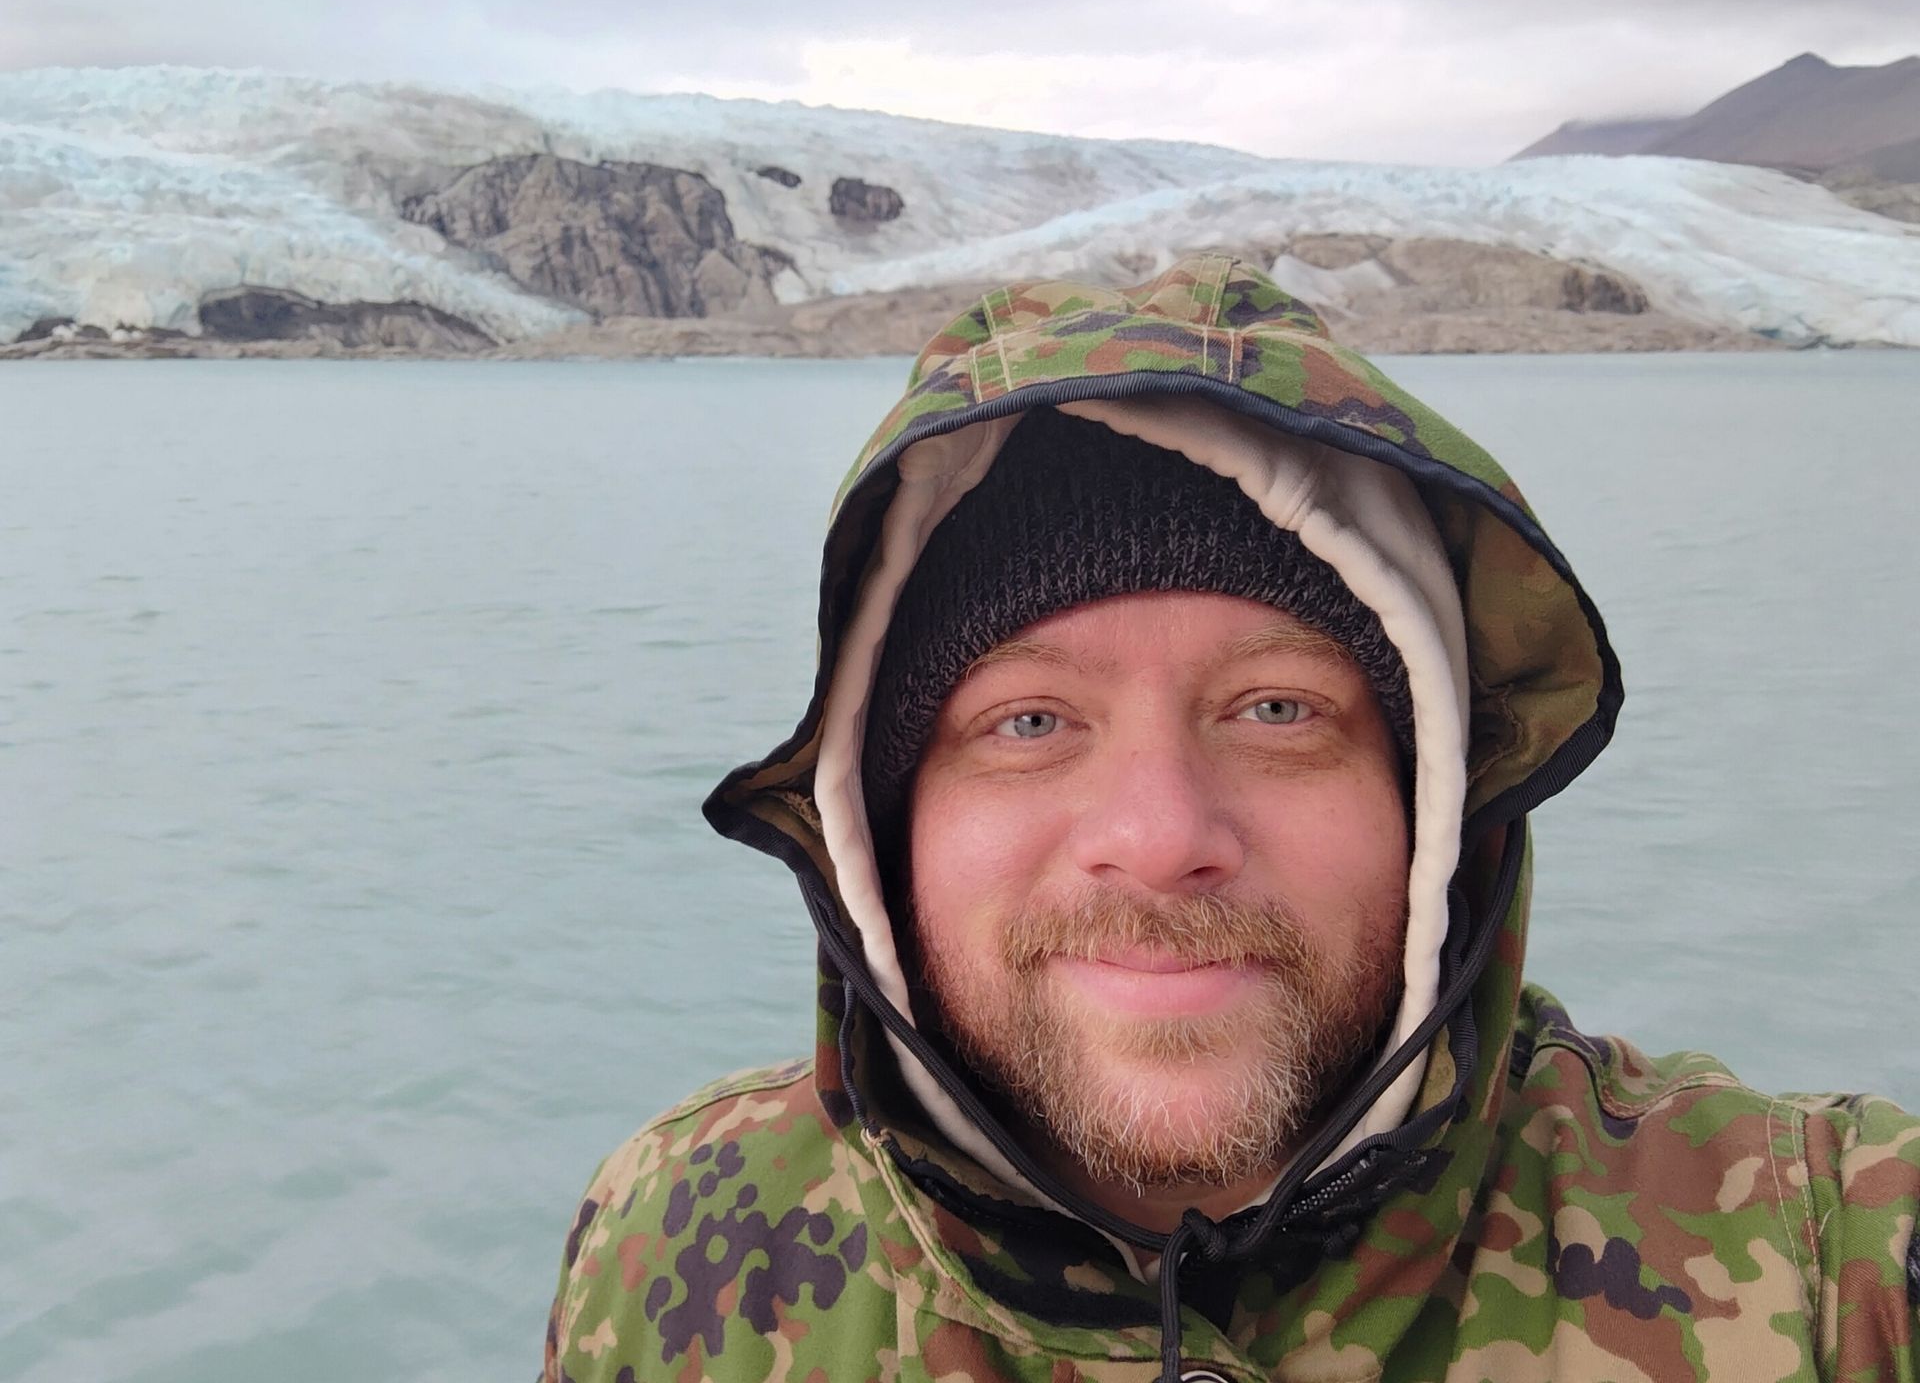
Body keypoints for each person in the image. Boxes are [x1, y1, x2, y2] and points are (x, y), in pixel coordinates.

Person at [541, 254, 1920, 1383]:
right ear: (880, 827)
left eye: (1278, 711)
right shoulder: (675, 1250)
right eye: (1028, 723)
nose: (1157, 834)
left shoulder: (1834, 1264)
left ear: (1432, 799)